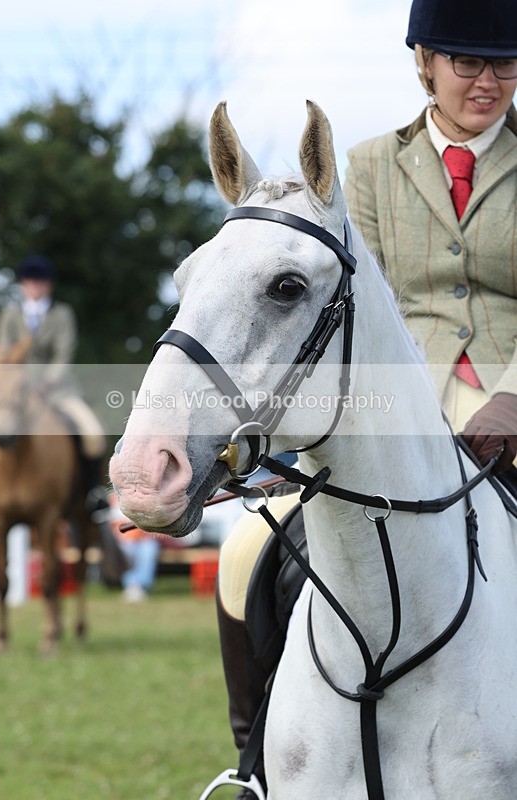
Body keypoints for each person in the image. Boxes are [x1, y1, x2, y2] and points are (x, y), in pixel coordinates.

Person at [215, 0, 517, 796]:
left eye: (503, 65)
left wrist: (511, 401)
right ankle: (253, 769)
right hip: (392, 422)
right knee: (245, 554)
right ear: (423, 60)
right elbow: (360, 310)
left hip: (510, 420)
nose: (486, 81)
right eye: (466, 62)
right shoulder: (369, 166)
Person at [0, 253, 109, 510]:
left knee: (93, 433)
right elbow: (3, 354)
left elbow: (63, 354)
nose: (35, 287)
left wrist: (45, 383)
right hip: (13, 393)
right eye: (31, 281)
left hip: (57, 390)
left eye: (41, 282)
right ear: (23, 284)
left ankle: (93, 493)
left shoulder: (62, 314)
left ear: (49, 285)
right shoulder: (9, 315)